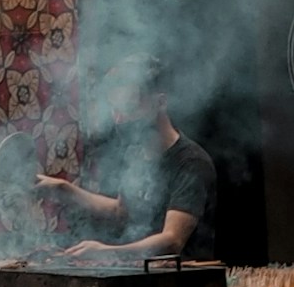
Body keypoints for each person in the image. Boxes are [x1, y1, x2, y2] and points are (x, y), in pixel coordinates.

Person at [43, 78, 219, 264]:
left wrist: (108, 252)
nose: (119, 119)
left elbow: (172, 240)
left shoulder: (192, 162)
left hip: (182, 284)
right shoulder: (135, 154)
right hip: (140, 277)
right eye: (116, 111)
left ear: (160, 102)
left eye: (129, 108)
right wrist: (63, 189)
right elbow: (121, 210)